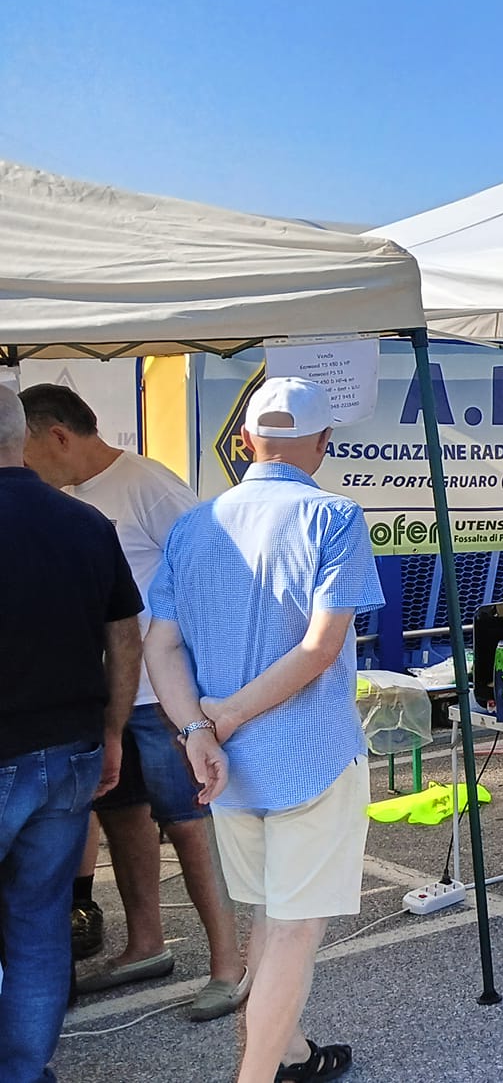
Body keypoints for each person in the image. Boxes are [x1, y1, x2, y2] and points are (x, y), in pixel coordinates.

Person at [145, 377, 383, 1083]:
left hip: (225, 765)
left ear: (245, 440)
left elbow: (161, 645)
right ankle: (258, 1075)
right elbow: (319, 649)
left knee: (270, 915)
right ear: (323, 444)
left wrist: (199, 728)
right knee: (294, 929)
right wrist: (230, 713)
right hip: (312, 754)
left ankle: (291, 1052)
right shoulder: (335, 516)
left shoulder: (193, 524)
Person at [19, 384, 246, 1021]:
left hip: (163, 696)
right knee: (122, 819)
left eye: (28, 449)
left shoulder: (147, 483)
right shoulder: (67, 497)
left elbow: (214, 568)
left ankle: (230, 962)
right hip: (108, 696)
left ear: (57, 435)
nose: (24, 464)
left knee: (187, 826)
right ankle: (146, 943)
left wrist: (201, 688)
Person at [0, 384, 143, 1083]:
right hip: (70, 752)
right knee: (37, 925)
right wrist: (114, 730)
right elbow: (125, 640)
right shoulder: (86, 524)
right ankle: (25, 1073)